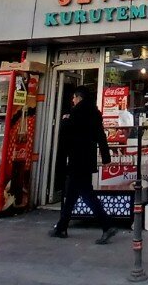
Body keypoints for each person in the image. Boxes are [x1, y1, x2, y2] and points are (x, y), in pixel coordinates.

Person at [49, 87, 118, 244]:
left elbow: (65, 139)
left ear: (78, 97)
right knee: (72, 194)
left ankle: (107, 225)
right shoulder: (94, 113)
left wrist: (65, 121)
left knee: (86, 194)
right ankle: (61, 227)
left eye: (73, 98)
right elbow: (101, 136)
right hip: (88, 160)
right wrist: (107, 158)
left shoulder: (74, 115)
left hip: (76, 160)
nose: (72, 100)